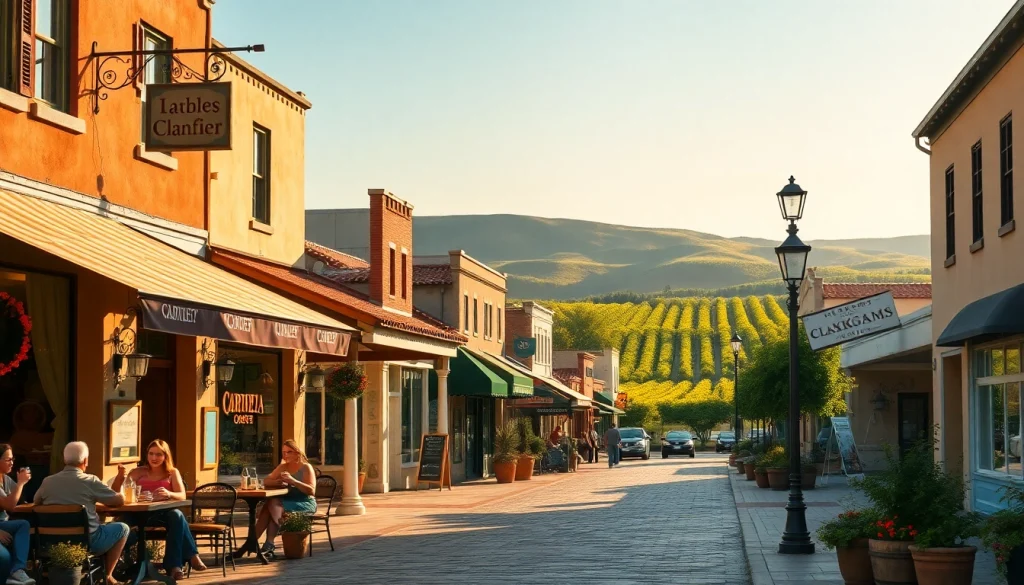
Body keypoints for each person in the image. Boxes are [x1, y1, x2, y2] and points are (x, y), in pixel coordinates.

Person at [34, 442, 128, 585]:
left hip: (52, 543)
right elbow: (118, 501)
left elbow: (36, 501)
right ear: (85, 461)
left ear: (64, 460)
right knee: (123, 528)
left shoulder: (47, 481)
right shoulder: (89, 481)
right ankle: (107, 575)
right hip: (87, 543)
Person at [111, 440, 206, 580]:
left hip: (162, 513)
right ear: (147, 455)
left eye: (158, 454)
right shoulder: (138, 472)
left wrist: (169, 494)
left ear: (165, 456)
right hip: (137, 513)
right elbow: (116, 493)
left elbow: (182, 495)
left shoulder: (172, 472)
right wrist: (120, 477)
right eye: (151, 454)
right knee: (178, 517)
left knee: (177, 515)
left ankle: (174, 566)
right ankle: (190, 556)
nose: (154, 458)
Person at [253, 440, 316, 555]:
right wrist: (277, 482)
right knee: (271, 505)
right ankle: (268, 544)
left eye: (289, 452)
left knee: (271, 505)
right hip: (286, 501)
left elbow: (311, 491)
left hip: (304, 502)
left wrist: (293, 481)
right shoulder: (283, 467)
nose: (285, 455)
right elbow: (266, 480)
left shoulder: (306, 467)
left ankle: (255, 541)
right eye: (283, 452)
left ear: (297, 453)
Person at [0, 444, 35, 584]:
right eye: (8, 459)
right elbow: (9, 505)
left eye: (12, 459)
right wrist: (20, 483)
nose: (12, 462)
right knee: (4, 557)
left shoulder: (5, 479)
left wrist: (22, 484)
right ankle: (15, 572)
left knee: (24, 525)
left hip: (5, 523)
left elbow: (18, 499)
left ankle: (17, 571)